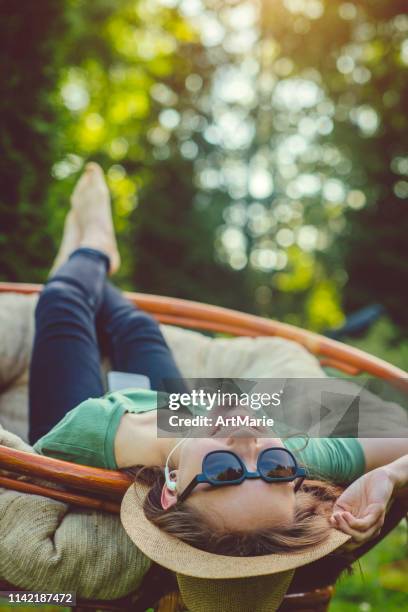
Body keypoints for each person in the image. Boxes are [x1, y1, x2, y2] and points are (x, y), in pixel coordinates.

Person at [30, 163, 408, 561]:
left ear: (171, 489)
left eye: (223, 472)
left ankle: (89, 252)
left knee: (62, 303)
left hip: (86, 418)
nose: (247, 440)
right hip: (177, 414)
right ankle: (84, 259)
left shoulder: (79, 439)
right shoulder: (294, 455)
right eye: (277, 468)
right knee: (139, 327)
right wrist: (389, 476)